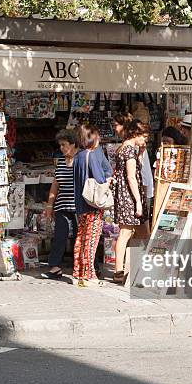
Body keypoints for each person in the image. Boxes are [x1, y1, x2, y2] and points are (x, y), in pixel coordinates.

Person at [73, 123, 113, 286]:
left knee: (81, 237)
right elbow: (100, 178)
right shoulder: (92, 155)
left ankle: (78, 272)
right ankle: (89, 274)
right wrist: (108, 180)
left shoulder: (79, 156)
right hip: (93, 205)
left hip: (80, 204)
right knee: (91, 239)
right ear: (93, 138)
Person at [112, 120, 150, 284]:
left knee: (142, 233)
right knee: (126, 232)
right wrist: (138, 202)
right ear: (136, 134)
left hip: (126, 195)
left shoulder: (124, 148)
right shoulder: (128, 150)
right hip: (129, 197)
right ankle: (118, 271)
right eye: (144, 137)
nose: (145, 140)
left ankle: (137, 267)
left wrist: (141, 154)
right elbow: (131, 177)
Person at [41, 129, 78, 279]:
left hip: (78, 206)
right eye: (60, 145)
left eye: (64, 145)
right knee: (59, 236)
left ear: (73, 144)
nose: (62, 148)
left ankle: (85, 266)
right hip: (62, 205)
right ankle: (55, 267)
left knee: (80, 237)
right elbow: (55, 184)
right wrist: (50, 205)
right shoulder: (62, 161)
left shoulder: (81, 159)